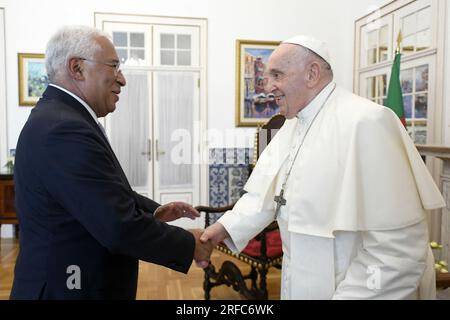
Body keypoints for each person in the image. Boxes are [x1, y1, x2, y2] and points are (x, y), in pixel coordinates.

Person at [200, 35, 445, 299]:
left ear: (312, 74)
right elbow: (266, 196)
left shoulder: (367, 122)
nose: (268, 87)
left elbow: (397, 252)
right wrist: (223, 228)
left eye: (277, 75)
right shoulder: (291, 125)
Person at [11, 25, 212, 300]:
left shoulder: (62, 117)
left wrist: (153, 212)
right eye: (114, 66)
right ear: (77, 68)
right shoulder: (63, 129)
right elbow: (118, 227)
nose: (122, 79)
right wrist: (191, 245)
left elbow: (100, 192)